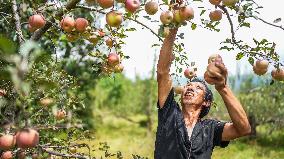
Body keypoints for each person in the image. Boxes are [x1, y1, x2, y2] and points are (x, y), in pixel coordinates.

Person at [154, 28, 251, 159]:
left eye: (198, 88)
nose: (190, 88)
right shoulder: (169, 114)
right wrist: (173, 27)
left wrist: (223, 88)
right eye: (188, 85)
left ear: (206, 102)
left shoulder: (210, 129)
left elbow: (244, 129)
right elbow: (162, 72)